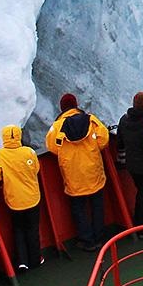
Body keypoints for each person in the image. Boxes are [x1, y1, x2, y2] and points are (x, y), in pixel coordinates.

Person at [47, 94, 110, 251]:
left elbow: (52, 147)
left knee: (79, 209)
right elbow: (104, 140)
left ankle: (87, 240)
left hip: (73, 175)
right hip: (93, 170)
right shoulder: (91, 120)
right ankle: (100, 237)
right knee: (97, 205)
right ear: (75, 105)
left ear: (62, 108)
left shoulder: (57, 127)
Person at [0, 125, 43, 272]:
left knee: (18, 230)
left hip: (14, 200)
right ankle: (36, 258)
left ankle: (22, 262)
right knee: (32, 229)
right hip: (32, 197)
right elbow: (36, 169)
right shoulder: (29, 152)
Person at [117, 92, 143, 236]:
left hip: (132, 166)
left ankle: (138, 224)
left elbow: (120, 141)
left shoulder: (124, 120)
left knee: (141, 193)